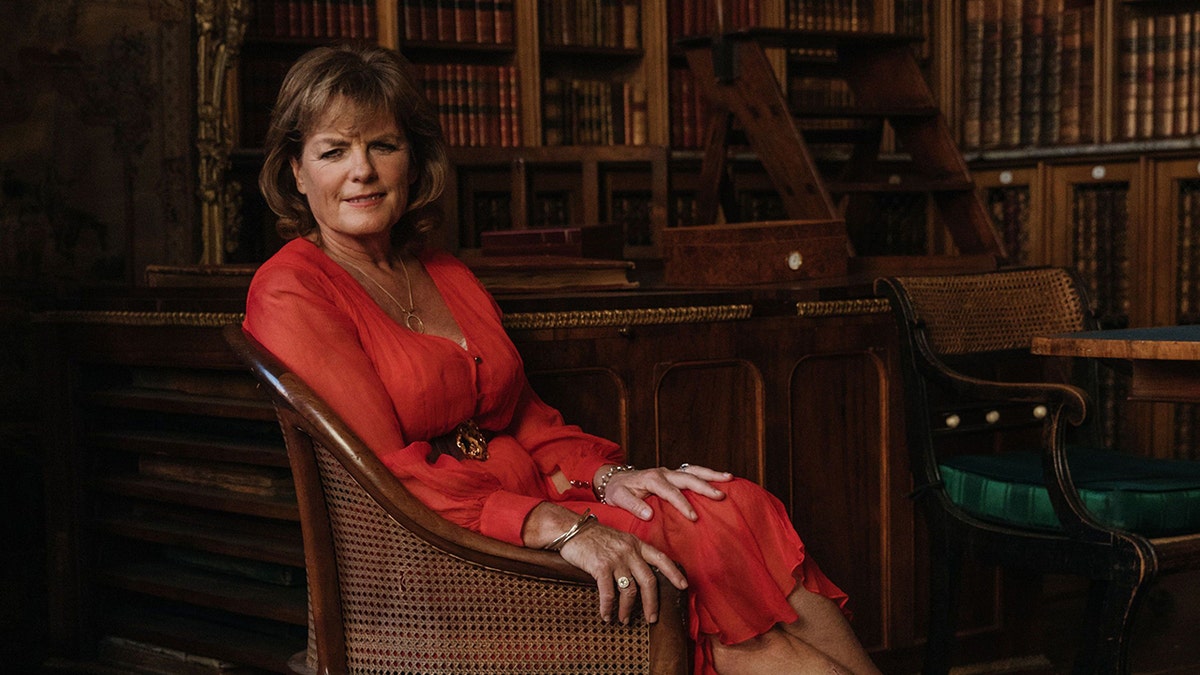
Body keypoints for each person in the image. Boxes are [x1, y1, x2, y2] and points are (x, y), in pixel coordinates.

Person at [243, 43, 881, 675]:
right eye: (333, 151)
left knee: (728, 504)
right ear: (296, 171)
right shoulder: (293, 288)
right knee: (730, 612)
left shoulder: (442, 270)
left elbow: (524, 418)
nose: (363, 171)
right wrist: (551, 524)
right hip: (445, 555)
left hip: (535, 508)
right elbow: (385, 475)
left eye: (383, 145)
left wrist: (609, 479)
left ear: (412, 158)